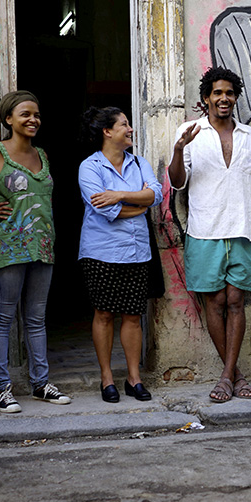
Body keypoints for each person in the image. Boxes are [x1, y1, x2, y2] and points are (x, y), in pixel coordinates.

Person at [168, 67, 251, 403]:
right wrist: (178, 150)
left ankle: (226, 377)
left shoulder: (249, 135)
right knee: (215, 302)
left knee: (235, 301)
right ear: (206, 98)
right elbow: (178, 182)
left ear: (235, 98)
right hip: (204, 231)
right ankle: (236, 376)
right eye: (217, 93)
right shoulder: (190, 132)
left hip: (242, 229)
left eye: (230, 93)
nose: (224, 98)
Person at [0, 91, 70, 413]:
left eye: (36, 114)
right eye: (25, 114)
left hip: (42, 245)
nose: (33, 119)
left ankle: (41, 384)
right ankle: (0, 390)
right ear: (8, 119)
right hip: (8, 246)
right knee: (2, 318)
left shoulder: (42, 155)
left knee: (36, 318)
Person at [78, 107, 163, 403]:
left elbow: (156, 194)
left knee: (132, 316)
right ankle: (107, 378)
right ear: (107, 131)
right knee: (104, 314)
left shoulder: (139, 163)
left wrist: (119, 194)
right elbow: (105, 209)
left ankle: (133, 378)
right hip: (101, 251)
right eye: (124, 124)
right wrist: (138, 204)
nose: (130, 129)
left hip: (137, 251)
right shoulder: (89, 167)